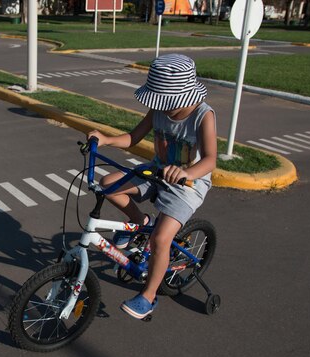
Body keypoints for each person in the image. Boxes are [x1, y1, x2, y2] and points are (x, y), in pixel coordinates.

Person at [88, 54, 217, 320]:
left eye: (165, 101)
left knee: (160, 239)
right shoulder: (159, 110)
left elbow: (210, 160)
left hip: (187, 185)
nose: (161, 106)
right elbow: (133, 137)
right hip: (157, 171)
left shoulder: (203, 116)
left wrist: (185, 172)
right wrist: (106, 139)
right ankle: (139, 221)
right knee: (108, 185)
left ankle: (148, 296)